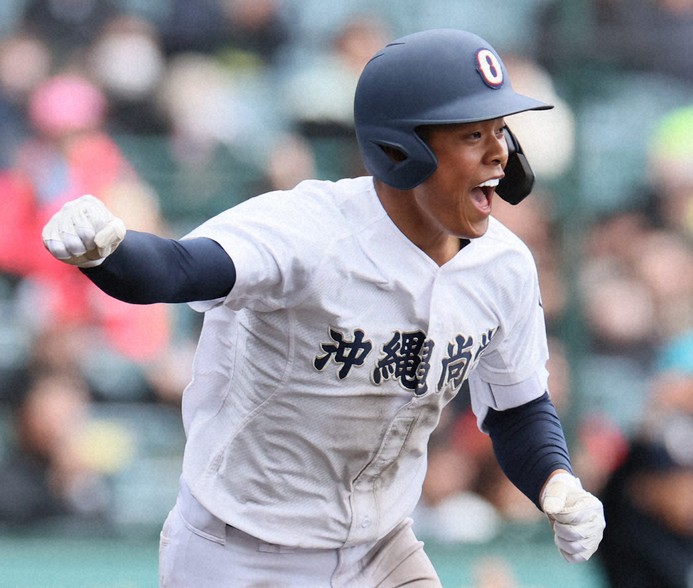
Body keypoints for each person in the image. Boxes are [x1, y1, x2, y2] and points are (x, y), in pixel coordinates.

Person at [40, 28, 604, 587]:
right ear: (398, 150)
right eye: (473, 133)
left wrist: (556, 481)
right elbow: (178, 269)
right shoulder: (308, 233)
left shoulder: (503, 266)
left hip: (380, 550)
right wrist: (107, 251)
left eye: (502, 130)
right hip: (240, 553)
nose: (499, 153)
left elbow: (516, 409)